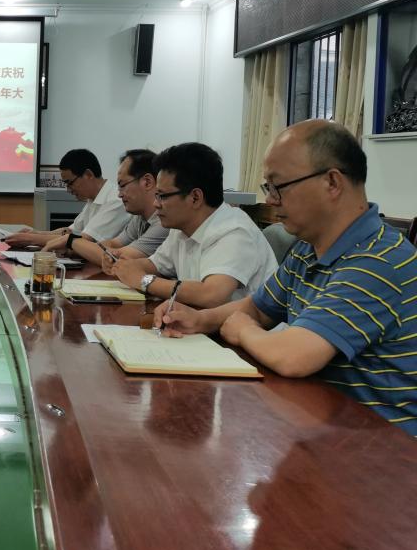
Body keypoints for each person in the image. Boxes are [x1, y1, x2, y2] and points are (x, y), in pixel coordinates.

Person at [158, 120, 417, 435]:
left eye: (278, 186)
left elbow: (293, 356)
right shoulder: (308, 248)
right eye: (268, 187)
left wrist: (243, 331)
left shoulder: (378, 260)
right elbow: (259, 308)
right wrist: (199, 320)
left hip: (384, 445)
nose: (270, 200)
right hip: (319, 420)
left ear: (332, 182)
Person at [111, 142, 276, 307]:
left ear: (195, 197)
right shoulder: (181, 228)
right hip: (200, 320)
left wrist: (144, 280)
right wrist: (125, 266)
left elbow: (211, 295)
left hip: (243, 323)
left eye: (162, 196)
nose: (155, 204)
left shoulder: (234, 231)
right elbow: (155, 264)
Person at [46, 149, 168, 265]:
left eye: (122, 185)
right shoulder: (139, 219)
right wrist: (71, 250)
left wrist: (71, 241)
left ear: (147, 182)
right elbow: (112, 244)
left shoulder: (163, 222)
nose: (119, 194)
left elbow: (117, 259)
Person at [4, 148, 129, 249]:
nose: (68, 190)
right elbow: (70, 231)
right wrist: (35, 233)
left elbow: (84, 240)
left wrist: (30, 239)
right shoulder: (93, 199)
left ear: (88, 175)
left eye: (70, 183)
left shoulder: (116, 201)